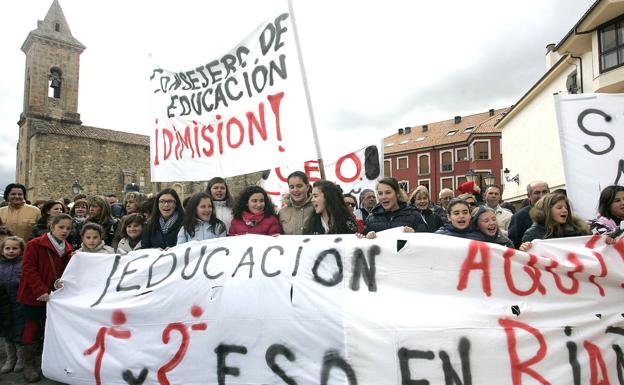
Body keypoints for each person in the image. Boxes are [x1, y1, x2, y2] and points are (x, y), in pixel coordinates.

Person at [17, 214, 73, 383]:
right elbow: (28, 269)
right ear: (52, 226)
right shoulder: (35, 244)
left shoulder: (69, 248)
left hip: (54, 297)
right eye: (61, 227)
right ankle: (29, 364)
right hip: (34, 295)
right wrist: (40, 290)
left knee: (50, 329)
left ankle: (48, 361)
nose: (65, 231)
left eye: (68, 228)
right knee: (31, 327)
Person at [520, 193, 590, 251]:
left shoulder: (579, 229)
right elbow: (525, 261)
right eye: (559, 208)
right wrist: (524, 249)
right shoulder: (532, 234)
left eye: (566, 207)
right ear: (547, 211)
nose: (565, 210)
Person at [363, 178, 428, 238]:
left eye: (388, 193)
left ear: (397, 194)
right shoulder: (371, 218)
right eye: (380, 193)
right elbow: (363, 243)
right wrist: (367, 237)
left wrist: (414, 235)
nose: (383, 197)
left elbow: (425, 241)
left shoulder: (414, 215)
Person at [0, 236, 25, 374]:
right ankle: (10, 359)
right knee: (6, 332)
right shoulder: (0, 265)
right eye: (7, 248)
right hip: (4, 306)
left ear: (21, 250)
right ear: (2, 250)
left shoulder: (23, 265)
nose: (11, 251)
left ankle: (21, 359)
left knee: (19, 332)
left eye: (15, 248)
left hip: (19, 305)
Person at [508, 181, 550, 248]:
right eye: (537, 193)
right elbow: (513, 245)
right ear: (529, 196)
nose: (542, 195)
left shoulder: (558, 212)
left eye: (545, 192)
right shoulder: (519, 217)